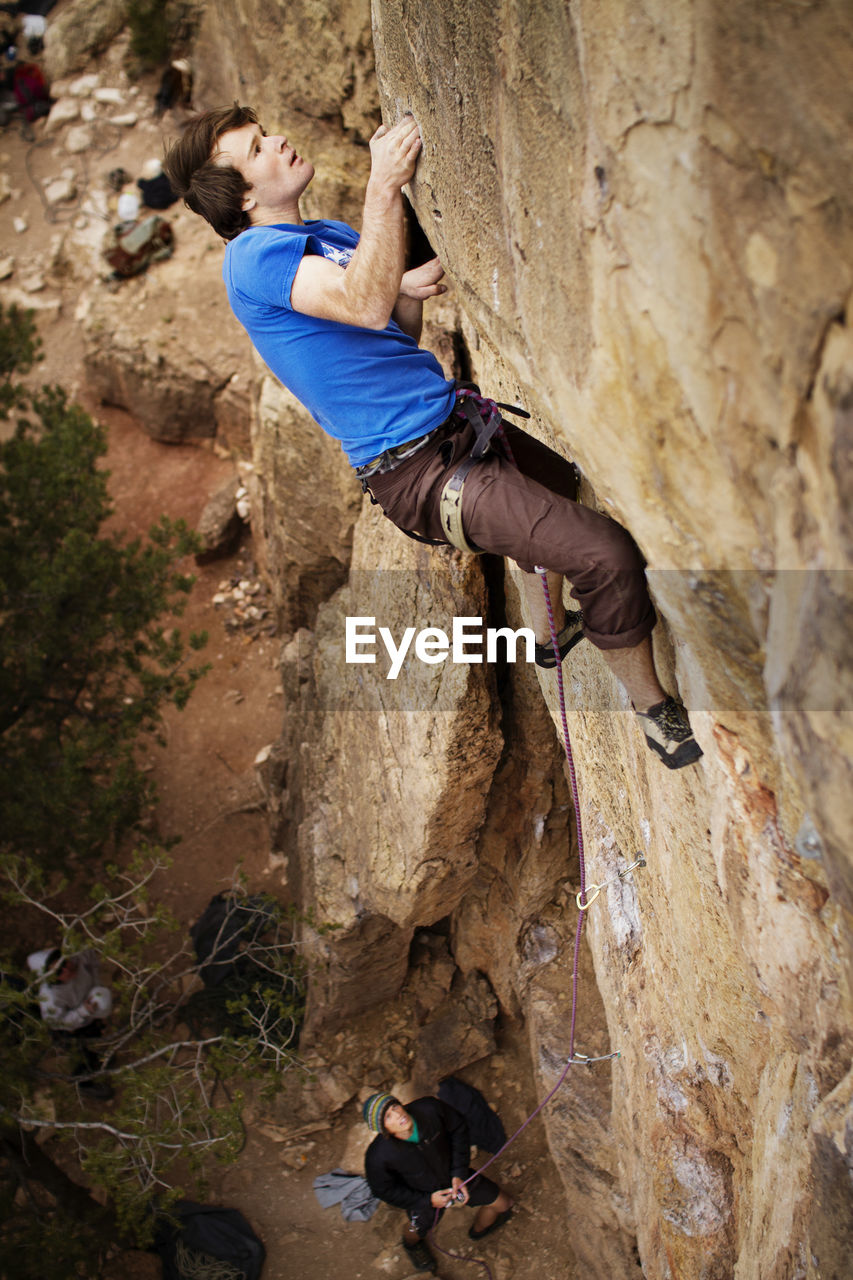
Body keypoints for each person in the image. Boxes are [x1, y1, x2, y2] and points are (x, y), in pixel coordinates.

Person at [163, 106, 702, 770]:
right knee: (603, 552)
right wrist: (383, 186)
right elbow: (361, 303)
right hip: (416, 473)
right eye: (256, 148)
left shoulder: (321, 234)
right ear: (242, 195)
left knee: (559, 489)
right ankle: (653, 709)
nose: (276, 140)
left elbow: (388, 332)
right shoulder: (252, 259)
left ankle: (547, 631)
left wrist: (406, 292)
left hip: (449, 427)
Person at [362, 1091, 513, 1273]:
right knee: (415, 1227)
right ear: (384, 1129)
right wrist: (427, 1201)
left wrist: (458, 1173)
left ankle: (479, 1231)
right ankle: (411, 1244)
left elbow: (459, 1129)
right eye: (388, 1116)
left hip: (456, 1178)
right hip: (423, 1196)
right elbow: (383, 1190)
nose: (398, 1114)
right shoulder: (378, 1157)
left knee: (504, 1204)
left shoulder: (429, 1109)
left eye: (395, 1106)